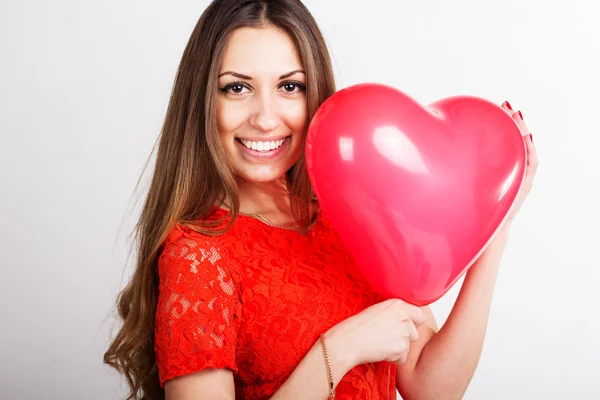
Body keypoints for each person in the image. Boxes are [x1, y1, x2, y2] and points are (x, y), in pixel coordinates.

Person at [103, 0, 538, 399]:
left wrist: (496, 227)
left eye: (290, 87)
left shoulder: (346, 214)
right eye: (237, 88)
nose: (266, 117)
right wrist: (341, 349)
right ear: (203, 101)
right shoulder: (197, 254)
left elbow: (432, 387)